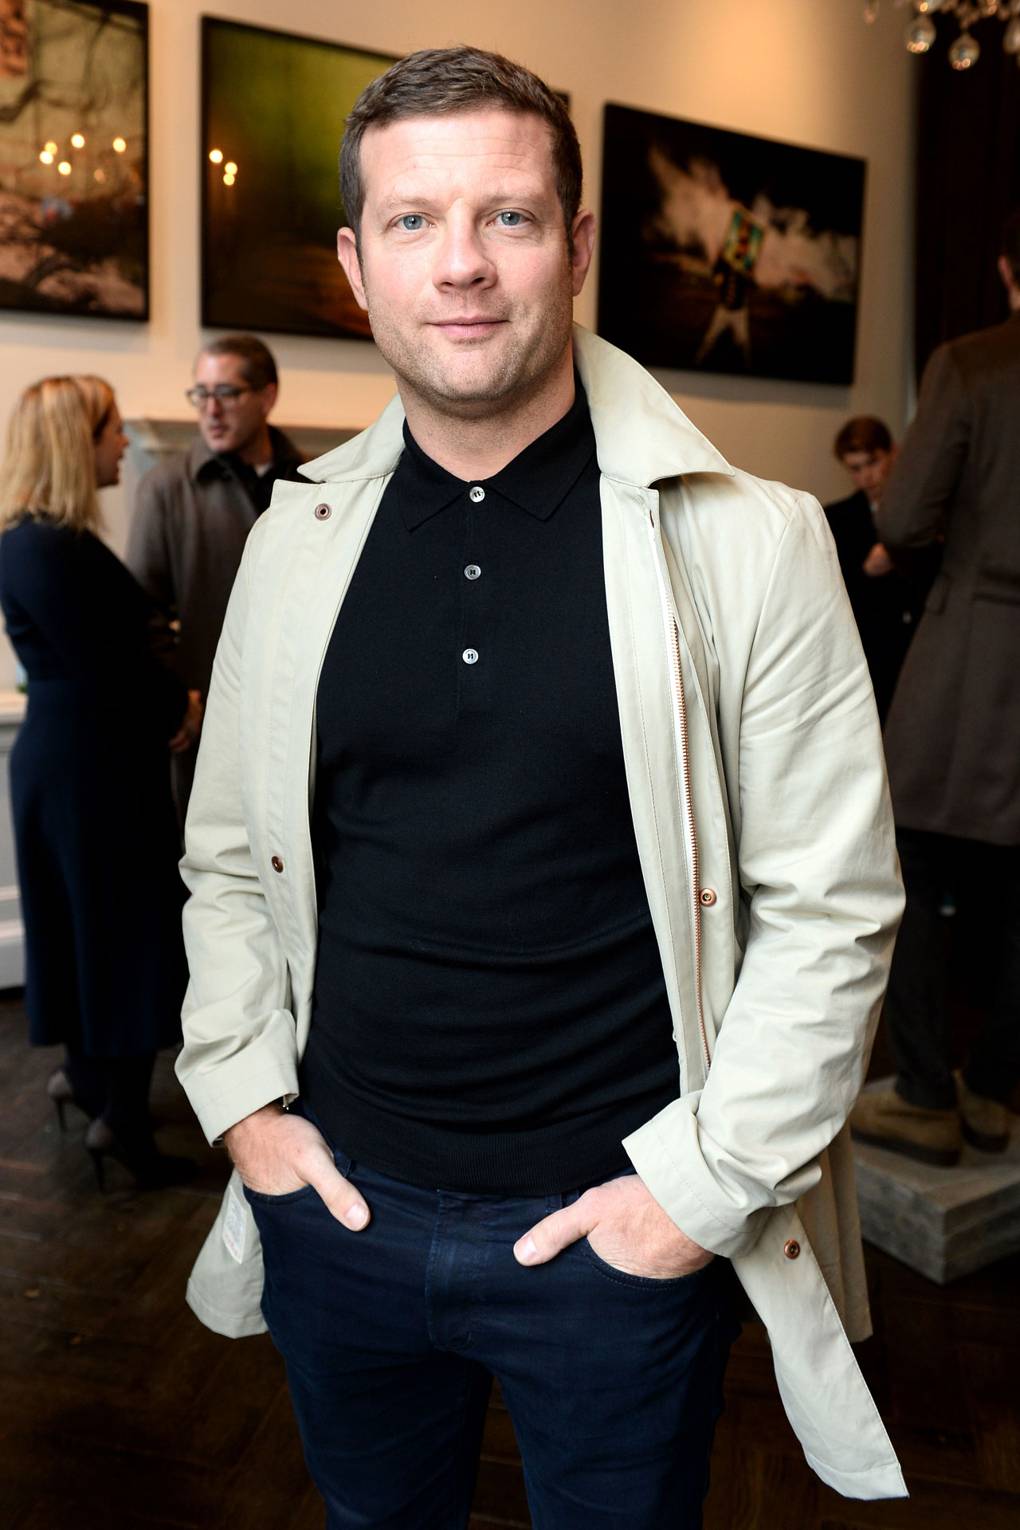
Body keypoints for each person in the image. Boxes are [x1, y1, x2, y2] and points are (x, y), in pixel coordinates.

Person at [176, 46, 906, 1526]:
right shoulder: (292, 539)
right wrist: (248, 1107)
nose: (461, 265)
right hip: (339, 1210)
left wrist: (690, 1200)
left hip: (616, 1235)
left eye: (507, 217)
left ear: (575, 248)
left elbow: (831, 913)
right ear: (355, 266)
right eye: (412, 221)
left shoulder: (753, 542)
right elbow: (230, 857)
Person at [0, 375, 200, 1188]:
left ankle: (89, 1082)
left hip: (72, 760)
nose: (123, 442)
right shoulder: (51, 547)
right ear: (74, 442)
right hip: (94, 767)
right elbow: (112, 670)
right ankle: (120, 1118)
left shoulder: (35, 542)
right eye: (112, 429)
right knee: (125, 934)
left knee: (87, 928)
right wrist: (179, 704)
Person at [850, 212, 1020, 1167]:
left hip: (975, 655)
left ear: (1006, 266)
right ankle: (993, 1089)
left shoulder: (972, 363)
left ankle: (923, 1093)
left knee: (904, 862)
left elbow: (906, 516)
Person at [125, 334, 303, 823]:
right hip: (207, 723)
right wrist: (178, 698)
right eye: (200, 393)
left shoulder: (314, 480)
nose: (211, 410)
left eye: (226, 393)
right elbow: (141, 613)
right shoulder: (166, 487)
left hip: (299, 717)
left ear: (267, 396)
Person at [824, 416, 936, 723]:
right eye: (855, 469)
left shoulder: (927, 512)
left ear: (893, 453)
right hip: (868, 652)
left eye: (872, 463)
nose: (866, 477)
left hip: (921, 646)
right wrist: (866, 572)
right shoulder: (837, 518)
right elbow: (829, 595)